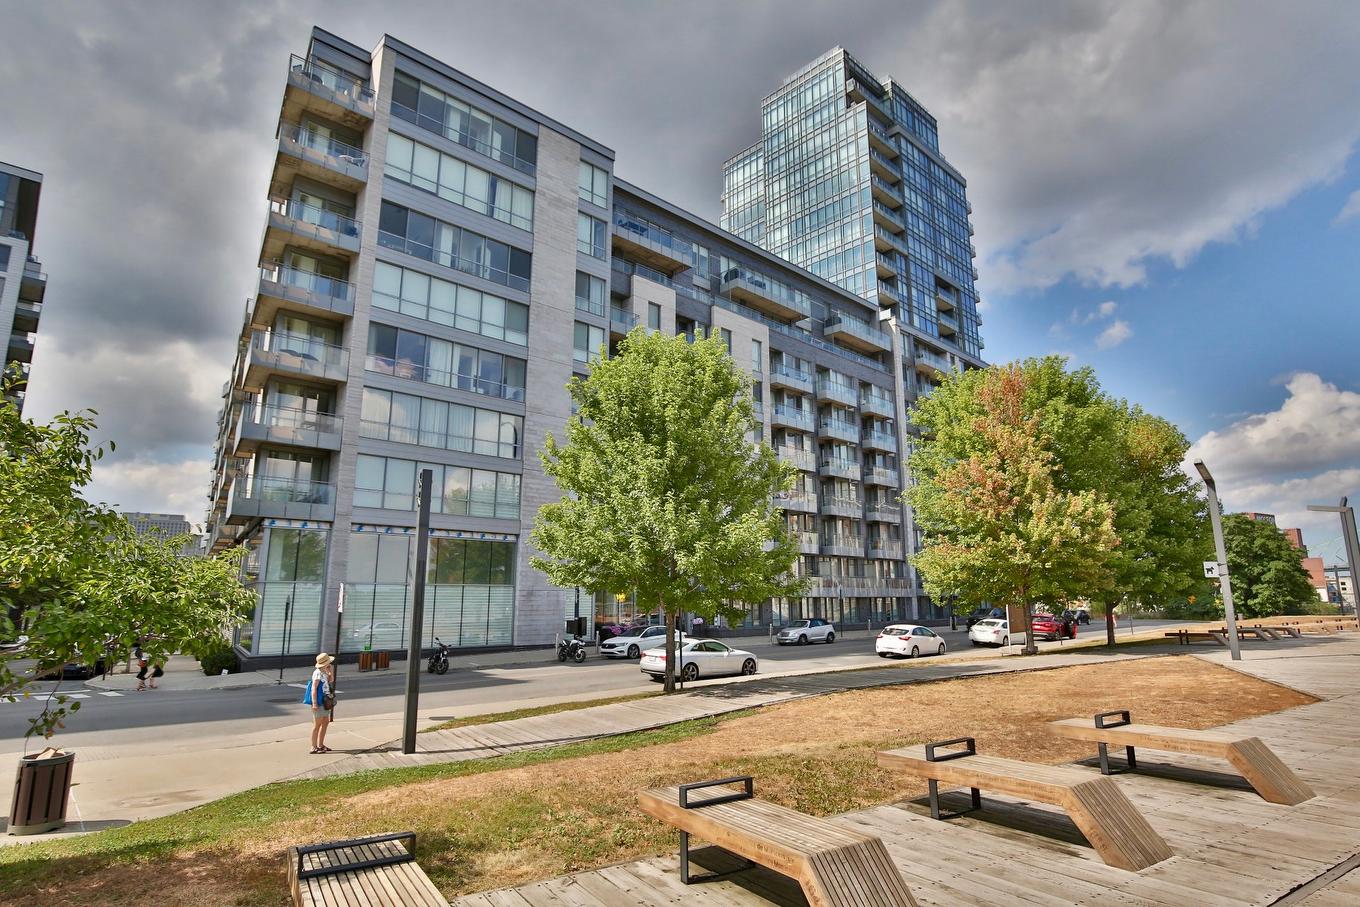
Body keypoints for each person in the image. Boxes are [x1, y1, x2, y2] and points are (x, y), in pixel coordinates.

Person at [305, 653, 335, 754]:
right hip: (319, 702)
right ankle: (313, 746)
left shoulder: (324, 671)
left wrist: (330, 671)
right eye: (328, 663)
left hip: (326, 701)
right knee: (317, 725)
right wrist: (314, 704)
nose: (330, 663)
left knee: (325, 723)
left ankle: (321, 745)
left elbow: (331, 680)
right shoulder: (317, 673)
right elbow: (314, 688)